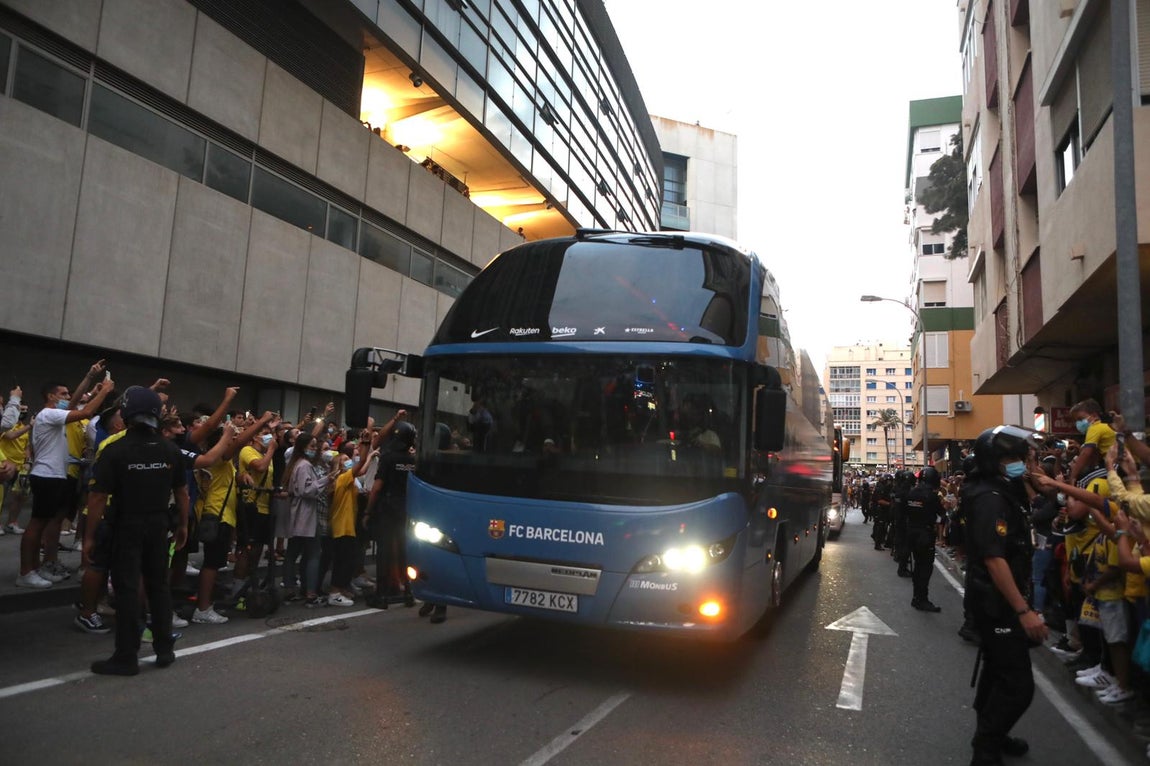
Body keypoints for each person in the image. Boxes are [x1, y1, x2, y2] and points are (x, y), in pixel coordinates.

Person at [85, 386, 189, 675]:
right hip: (158, 525)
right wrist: (183, 525)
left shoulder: (115, 450)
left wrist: (89, 536)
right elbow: (182, 493)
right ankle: (164, 649)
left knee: (128, 588)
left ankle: (126, 656)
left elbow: (96, 497)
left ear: (128, 413)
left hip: (127, 525)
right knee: (159, 586)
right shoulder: (170, 450)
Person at [963, 425, 1047, 766]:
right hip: (996, 603)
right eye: (1013, 459)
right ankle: (985, 748)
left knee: (997, 672)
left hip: (995, 599)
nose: (1021, 465)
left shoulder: (999, 490)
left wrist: (1033, 481)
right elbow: (994, 559)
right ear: (995, 461)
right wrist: (1023, 610)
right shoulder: (989, 499)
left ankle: (991, 734)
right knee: (1016, 685)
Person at [18, 363, 115, 588]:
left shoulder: (55, 414)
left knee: (43, 524)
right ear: (50, 396)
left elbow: (76, 403)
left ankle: (35, 567)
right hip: (46, 475)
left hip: (54, 475)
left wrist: (90, 379)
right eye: (62, 394)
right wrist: (103, 392)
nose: (67, 397)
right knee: (37, 525)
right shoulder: (49, 414)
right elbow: (86, 411)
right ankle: (25, 571)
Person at [906, 466, 945, 612]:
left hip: (912, 533)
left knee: (917, 566)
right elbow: (941, 516)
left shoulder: (912, 493)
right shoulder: (932, 496)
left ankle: (916, 597)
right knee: (925, 568)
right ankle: (922, 599)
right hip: (925, 535)